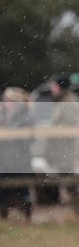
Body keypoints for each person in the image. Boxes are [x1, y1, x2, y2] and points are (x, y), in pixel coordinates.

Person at [42, 74, 79, 212]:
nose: (52, 88)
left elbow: (71, 125)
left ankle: (78, 209)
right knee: (63, 178)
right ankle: (74, 209)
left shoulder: (69, 102)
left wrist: (54, 131)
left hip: (65, 148)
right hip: (58, 148)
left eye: (54, 85)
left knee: (68, 179)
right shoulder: (61, 101)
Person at [0, 87, 34, 219]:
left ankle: (27, 213)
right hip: (4, 160)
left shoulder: (25, 116)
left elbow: (27, 139)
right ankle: (4, 214)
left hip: (20, 159)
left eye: (7, 100)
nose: (5, 103)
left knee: (22, 188)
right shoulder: (4, 115)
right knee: (3, 188)